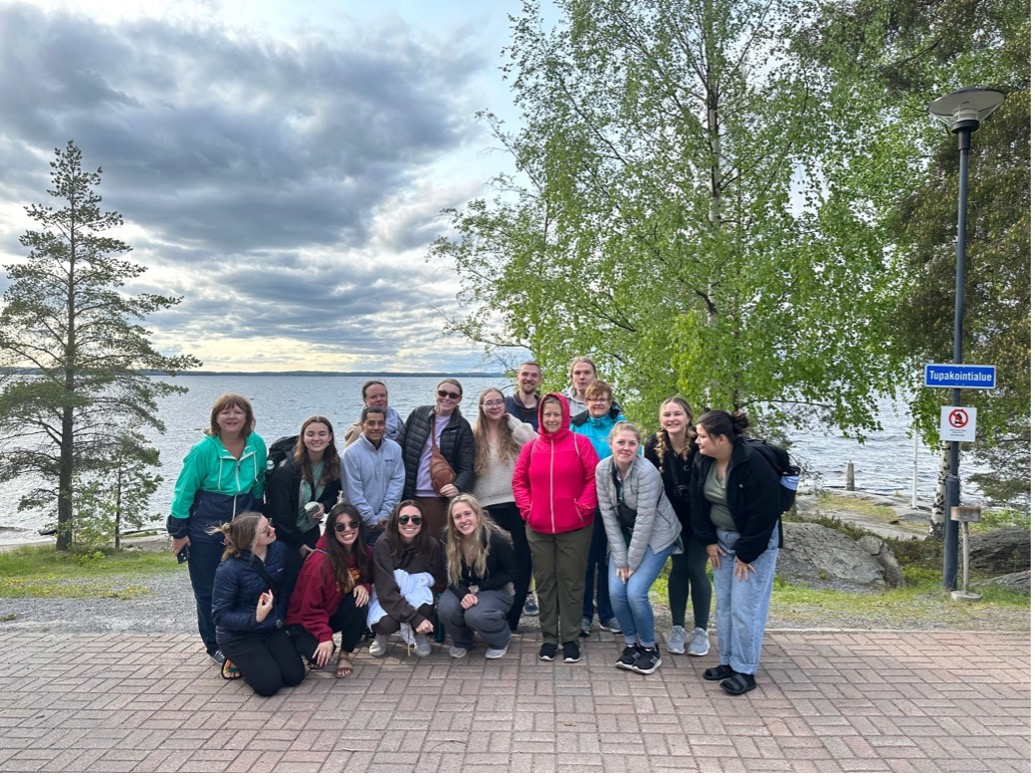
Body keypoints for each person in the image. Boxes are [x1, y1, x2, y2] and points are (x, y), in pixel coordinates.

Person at [167, 393, 267, 672]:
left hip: (242, 525)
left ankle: (243, 636)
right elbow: (184, 491)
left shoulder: (257, 444)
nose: (232, 417)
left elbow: (258, 482)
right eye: (226, 412)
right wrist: (178, 531)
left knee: (245, 584)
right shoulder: (203, 450)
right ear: (216, 418)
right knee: (209, 590)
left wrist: (259, 516)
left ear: (247, 417)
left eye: (238, 412)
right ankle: (216, 646)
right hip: (205, 528)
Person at [690, 410, 782, 696]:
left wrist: (746, 553)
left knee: (746, 608)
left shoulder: (752, 463)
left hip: (754, 545)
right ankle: (728, 662)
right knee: (726, 606)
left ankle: (745, 670)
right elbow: (697, 500)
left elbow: (766, 512)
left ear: (720, 439)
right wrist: (708, 540)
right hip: (721, 541)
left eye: (703, 436)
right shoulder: (703, 460)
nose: (697, 442)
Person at [512, 393, 599, 664]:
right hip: (538, 529)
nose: (551, 419)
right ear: (540, 416)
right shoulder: (531, 448)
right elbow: (519, 482)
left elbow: (593, 478)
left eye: (556, 414)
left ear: (565, 416)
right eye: (547, 414)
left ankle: (570, 638)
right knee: (546, 584)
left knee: (572, 582)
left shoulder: (579, 443)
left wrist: (582, 508)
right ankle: (549, 637)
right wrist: (527, 510)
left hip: (575, 527)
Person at [597, 422, 682, 675]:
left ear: (639, 447)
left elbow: (646, 521)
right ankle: (631, 644)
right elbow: (608, 517)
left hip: (657, 535)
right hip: (622, 538)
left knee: (635, 592)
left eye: (631, 443)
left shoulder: (647, 472)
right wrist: (621, 560)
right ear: (611, 444)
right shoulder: (602, 470)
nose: (626, 447)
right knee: (615, 592)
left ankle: (649, 647)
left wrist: (630, 564)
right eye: (621, 442)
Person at [644, 397, 712, 658]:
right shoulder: (653, 445)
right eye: (667, 415)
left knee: (696, 568)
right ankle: (677, 627)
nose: (672, 419)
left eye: (677, 414)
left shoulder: (699, 444)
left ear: (688, 417)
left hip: (700, 519)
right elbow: (649, 484)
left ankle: (701, 629)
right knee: (678, 569)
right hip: (670, 520)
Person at [210, 511, 305, 697]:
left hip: (269, 626)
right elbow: (219, 615)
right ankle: (234, 660)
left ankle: (263, 657)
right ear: (251, 540)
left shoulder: (279, 550)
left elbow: (285, 587)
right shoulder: (229, 570)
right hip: (239, 635)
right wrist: (255, 617)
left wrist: (279, 616)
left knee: (294, 676)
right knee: (269, 686)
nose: (272, 529)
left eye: (269, 523)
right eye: (265, 530)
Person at [471, 386, 536, 631]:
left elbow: (536, 445)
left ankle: (514, 617)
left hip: (516, 503)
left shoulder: (516, 431)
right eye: (489, 402)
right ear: (481, 407)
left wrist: (513, 422)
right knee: (493, 564)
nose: (495, 406)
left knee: (522, 561)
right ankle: (490, 612)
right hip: (486, 507)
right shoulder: (474, 434)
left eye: (499, 402)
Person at [286, 502, 373, 679]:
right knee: (320, 658)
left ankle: (345, 654)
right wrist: (325, 636)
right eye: (340, 526)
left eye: (353, 524)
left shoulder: (364, 551)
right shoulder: (319, 563)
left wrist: (363, 586)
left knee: (358, 602)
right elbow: (308, 609)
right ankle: (291, 643)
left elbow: (368, 578)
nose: (348, 530)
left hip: (330, 612)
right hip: (303, 620)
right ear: (331, 530)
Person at [264, 416, 341, 604]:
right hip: (285, 534)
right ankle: (284, 625)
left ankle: (308, 622)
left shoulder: (331, 463)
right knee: (290, 581)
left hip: (310, 529)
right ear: (303, 438)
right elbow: (280, 514)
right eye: (311, 434)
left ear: (330, 437)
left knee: (313, 580)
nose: (317, 439)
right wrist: (298, 544)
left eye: (322, 434)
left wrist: (324, 506)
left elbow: (333, 493)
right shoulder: (286, 470)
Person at [571, 379, 625, 636]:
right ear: (586, 401)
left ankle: (607, 613)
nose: (598, 403)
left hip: (612, 503)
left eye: (603, 398)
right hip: (583, 502)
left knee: (607, 560)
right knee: (585, 561)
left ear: (610, 401)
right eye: (593, 398)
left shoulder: (619, 425)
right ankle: (583, 614)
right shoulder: (576, 425)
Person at [439, 494, 518, 659]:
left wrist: (478, 588)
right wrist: (464, 594)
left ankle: (500, 639)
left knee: (476, 614)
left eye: (467, 514)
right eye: (457, 516)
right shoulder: (447, 538)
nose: (463, 520)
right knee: (446, 608)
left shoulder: (497, 539)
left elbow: (512, 572)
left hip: (496, 587)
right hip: (464, 587)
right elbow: (447, 574)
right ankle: (462, 641)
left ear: (477, 514)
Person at [398, 378, 475, 539]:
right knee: (409, 542)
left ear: (459, 400)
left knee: (434, 544)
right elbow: (399, 447)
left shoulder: (462, 427)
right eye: (443, 393)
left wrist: (457, 486)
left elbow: (467, 468)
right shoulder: (418, 414)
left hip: (437, 498)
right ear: (436, 394)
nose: (447, 398)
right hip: (409, 493)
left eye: (453, 395)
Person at [368, 500, 444, 658]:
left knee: (426, 605)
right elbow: (385, 590)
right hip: (390, 594)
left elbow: (436, 579)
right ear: (396, 521)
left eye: (416, 519)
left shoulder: (431, 544)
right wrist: (415, 618)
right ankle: (381, 636)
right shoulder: (384, 544)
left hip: (417, 591)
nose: (410, 523)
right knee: (386, 623)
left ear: (422, 523)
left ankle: (419, 634)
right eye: (404, 519)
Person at [341, 406, 405, 547]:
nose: (376, 427)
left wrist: (384, 515)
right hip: (356, 525)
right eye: (371, 423)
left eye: (380, 423)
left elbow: (396, 485)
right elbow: (353, 493)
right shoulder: (351, 454)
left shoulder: (394, 449)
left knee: (382, 565)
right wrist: (371, 520)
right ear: (362, 424)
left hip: (385, 524)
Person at [342, 380, 404, 446]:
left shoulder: (398, 423)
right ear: (365, 401)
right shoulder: (357, 432)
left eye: (382, 395)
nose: (379, 399)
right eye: (373, 397)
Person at [504, 360, 543, 431]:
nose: (529, 379)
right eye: (525, 374)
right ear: (517, 378)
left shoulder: (545, 408)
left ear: (540, 380)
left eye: (534, 375)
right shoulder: (504, 405)